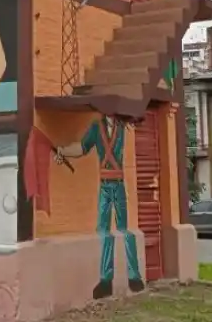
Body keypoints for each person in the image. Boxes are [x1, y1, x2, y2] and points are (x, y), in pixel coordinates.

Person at [54, 115, 146, 300]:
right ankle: (106, 281)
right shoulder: (96, 127)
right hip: (104, 185)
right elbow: (81, 147)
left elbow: (138, 117)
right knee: (103, 231)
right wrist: (63, 151)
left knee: (125, 230)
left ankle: (134, 277)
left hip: (119, 185)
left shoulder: (123, 126)